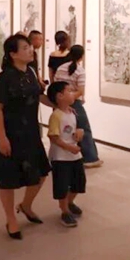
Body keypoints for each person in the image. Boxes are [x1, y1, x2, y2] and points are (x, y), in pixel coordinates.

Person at [0, 34, 53, 240]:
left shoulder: (31, 72)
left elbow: (38, 96)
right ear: (13, 54)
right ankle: (11, 219)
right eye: (25, 47)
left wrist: (60, 105)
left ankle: (26, 205)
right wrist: (2, 137)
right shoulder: (5, 77)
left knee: (41, 173)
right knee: (9, 179)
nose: (31, 49)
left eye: (30, 46)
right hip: (11, 133)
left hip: (31, 132)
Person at [53, 44, 103, 168]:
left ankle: (67, 155)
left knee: (63, 130)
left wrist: (62, 100)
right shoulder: (80, 70)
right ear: (81, 56)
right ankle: (90, 158)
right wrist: (70, 99)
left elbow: (55, 87)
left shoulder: (60, 68)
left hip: (58, 103)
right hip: (74, 102)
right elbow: (80, 91)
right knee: (83, 127)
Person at [46, 81, 86, 228]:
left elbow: (75, 130)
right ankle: (64, 210)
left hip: (74, 156)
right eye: (69, 91)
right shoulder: (56, 116)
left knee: (78, 182)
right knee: (62, 185)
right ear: (60, 96)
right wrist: (69, 147)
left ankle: (70, 202)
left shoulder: (72, 112)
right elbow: (53, 137)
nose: (73, 93)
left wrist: (79, 134)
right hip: (60, 157)